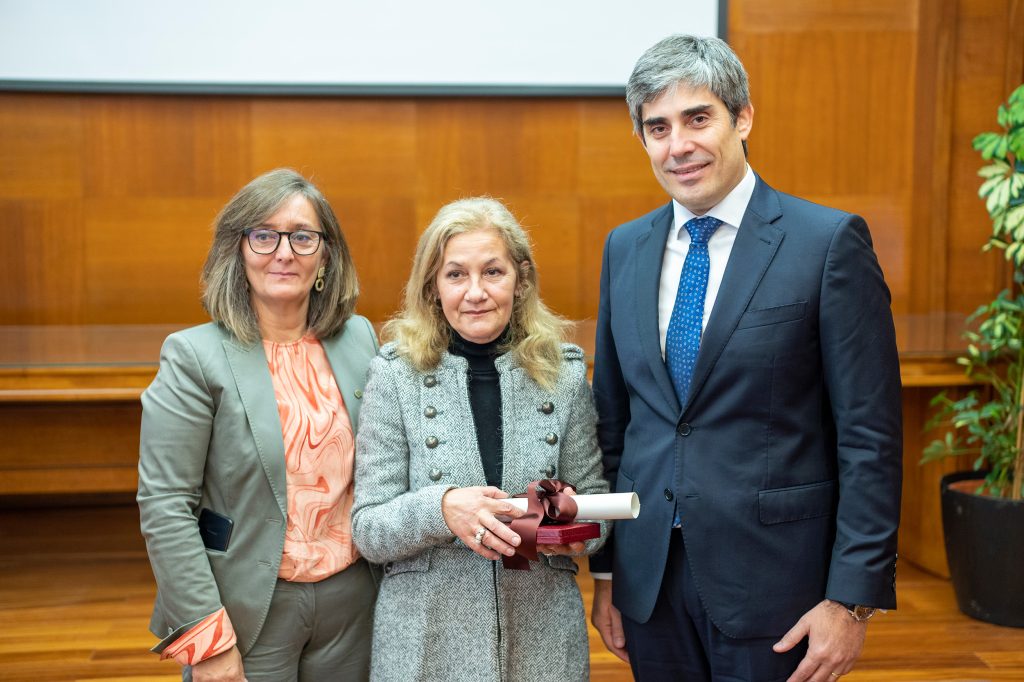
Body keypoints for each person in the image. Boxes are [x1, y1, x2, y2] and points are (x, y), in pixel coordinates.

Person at [588, 35, 903, 682]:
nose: (679, 145)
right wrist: (608, 573)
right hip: (650, 585)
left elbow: (870, 436)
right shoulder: (625, 248)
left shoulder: (827, 244)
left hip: (777, 585)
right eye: (658, 127)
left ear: (743, 118)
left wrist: (851, 600)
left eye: (698, 118)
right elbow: (615, 425)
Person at [351, 197, 608, 681]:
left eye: (493, 272)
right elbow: (368, 529)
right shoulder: (395, 375)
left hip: (543, 641)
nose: (475, 292)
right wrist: (442, 508)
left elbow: (597, 509)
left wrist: (572, 525)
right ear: (432, 286)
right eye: (455, 275)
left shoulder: (564, 374)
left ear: (521, 278)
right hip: (425, 643)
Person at [138, 168, 379, 681]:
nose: (284, 252)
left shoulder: (359, 338)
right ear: (239, 250)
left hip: (356, 602)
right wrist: (205, 639)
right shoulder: (193, 356)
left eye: (302, 236)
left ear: (325, 256)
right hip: (248, 605)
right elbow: (165, 506)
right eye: (264, 235)